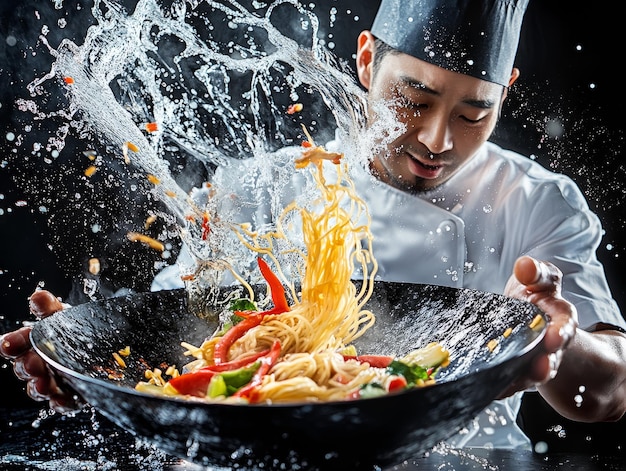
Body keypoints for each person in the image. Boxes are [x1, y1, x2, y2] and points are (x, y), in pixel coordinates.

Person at [2, 0, 626, 451]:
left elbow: (606, 398)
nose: (438, 140)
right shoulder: (257, 189)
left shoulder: (539, 202)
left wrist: (562, 339)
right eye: (414, 100)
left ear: (506, 92)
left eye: (473, 113)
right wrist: (88, 368)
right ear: (364, 61)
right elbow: (175, 349)